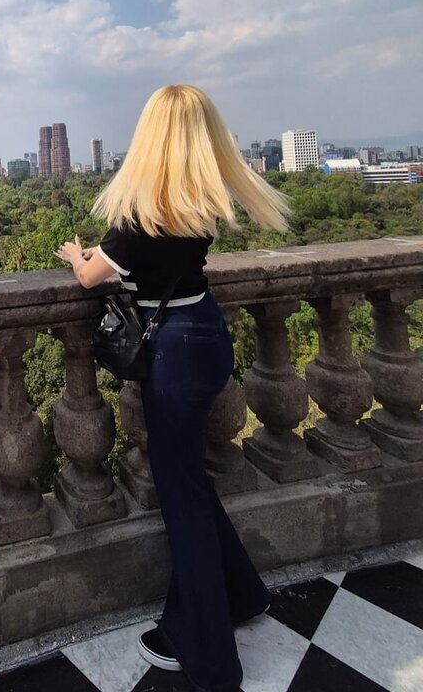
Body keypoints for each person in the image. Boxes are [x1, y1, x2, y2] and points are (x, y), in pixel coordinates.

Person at [55, 84, 289, 692]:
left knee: (180, 495)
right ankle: (241, 592)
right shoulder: (198, 207)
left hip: (175, 356)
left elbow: (90, 278)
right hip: (207, 335)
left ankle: (208, 653)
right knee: (190, 482)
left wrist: (76, 255)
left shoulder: (138, 218)